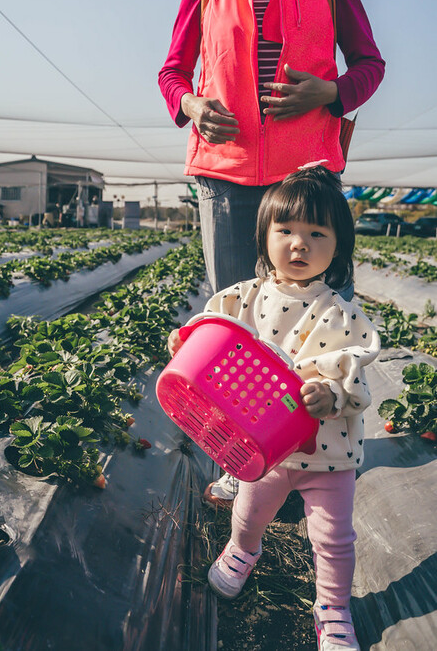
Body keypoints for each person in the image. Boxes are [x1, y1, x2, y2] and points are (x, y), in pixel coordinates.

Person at [167, 166, 380, 651]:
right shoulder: (245, 297)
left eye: (316, 233)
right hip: (264, 447)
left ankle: (333, 607)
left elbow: (357, 379)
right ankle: (244, 549)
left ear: (338, 248)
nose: (299, 244)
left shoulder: (343, 315)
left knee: (333, 539)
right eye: (285, 231)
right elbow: (208, 330)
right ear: (264, 238)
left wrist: (333, 396)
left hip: (329, 454)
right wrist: (183, 342)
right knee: (249, 511)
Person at [158, 0, 385, 295]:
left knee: (322, 310)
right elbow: (173, 71)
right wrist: (191, 103)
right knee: (237, 307)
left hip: (309, 174)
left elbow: (370, 65)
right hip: (226, 174)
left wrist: (329, 93)